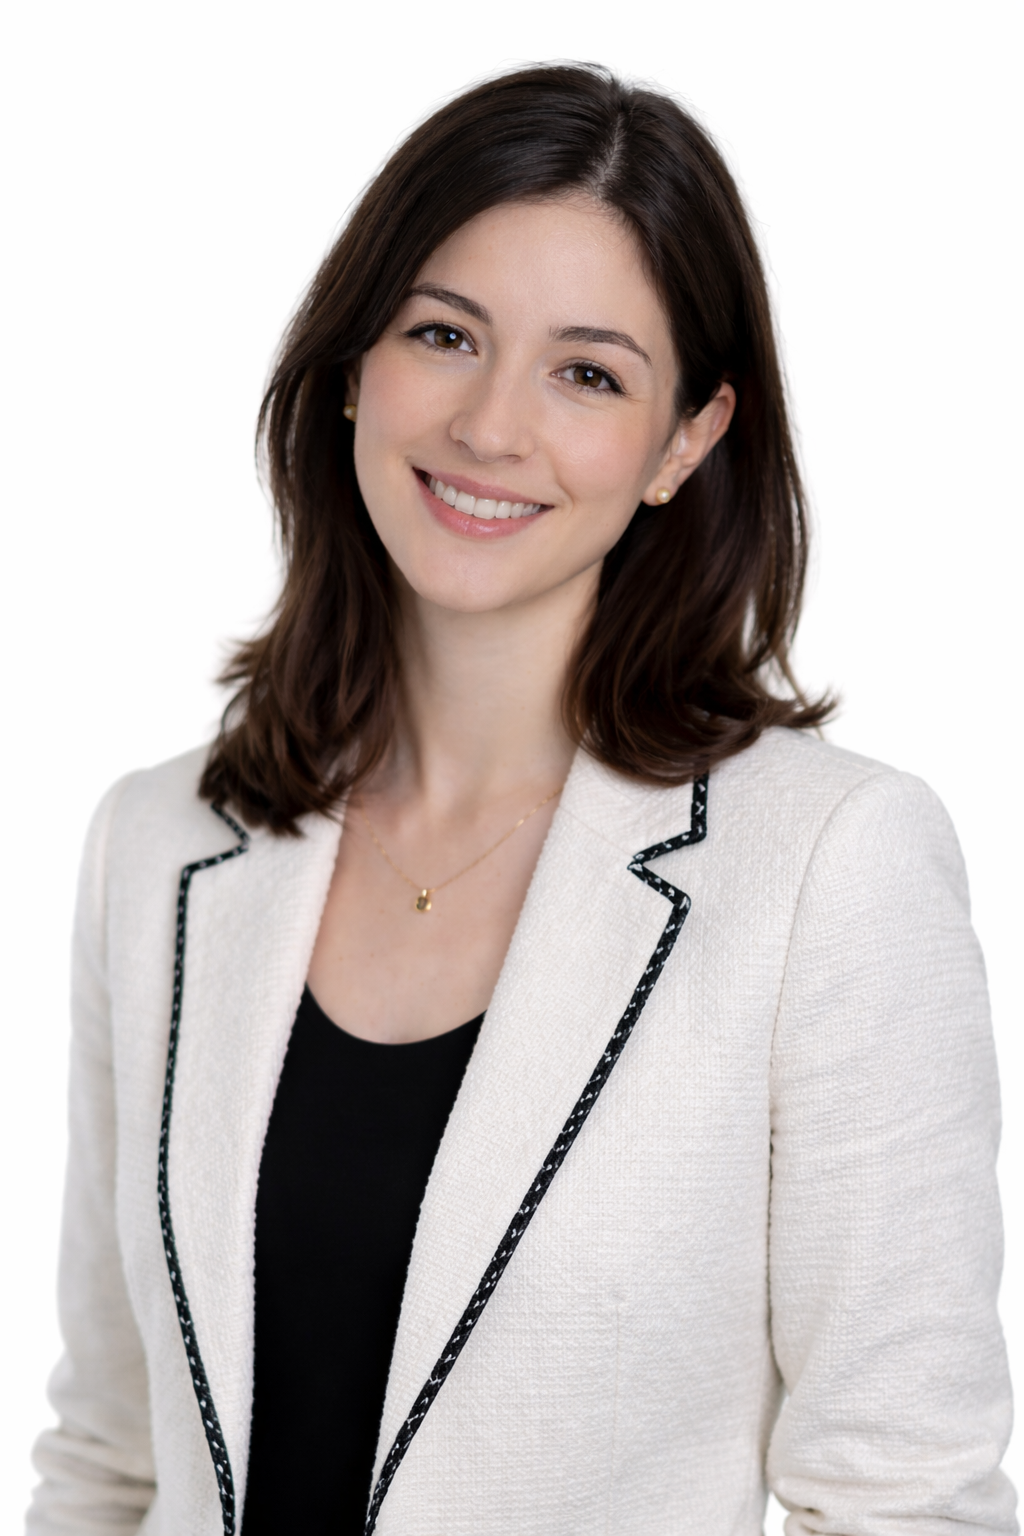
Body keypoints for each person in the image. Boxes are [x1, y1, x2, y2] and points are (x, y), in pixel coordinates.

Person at [27, 62, 1015, 1536]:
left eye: (589, 373)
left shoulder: (830, 867)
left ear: (686, 440)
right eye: (445, 335)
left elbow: (904, 1498)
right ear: (355, 361)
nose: (493, 427)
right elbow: (109, 1463)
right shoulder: (159, 843)